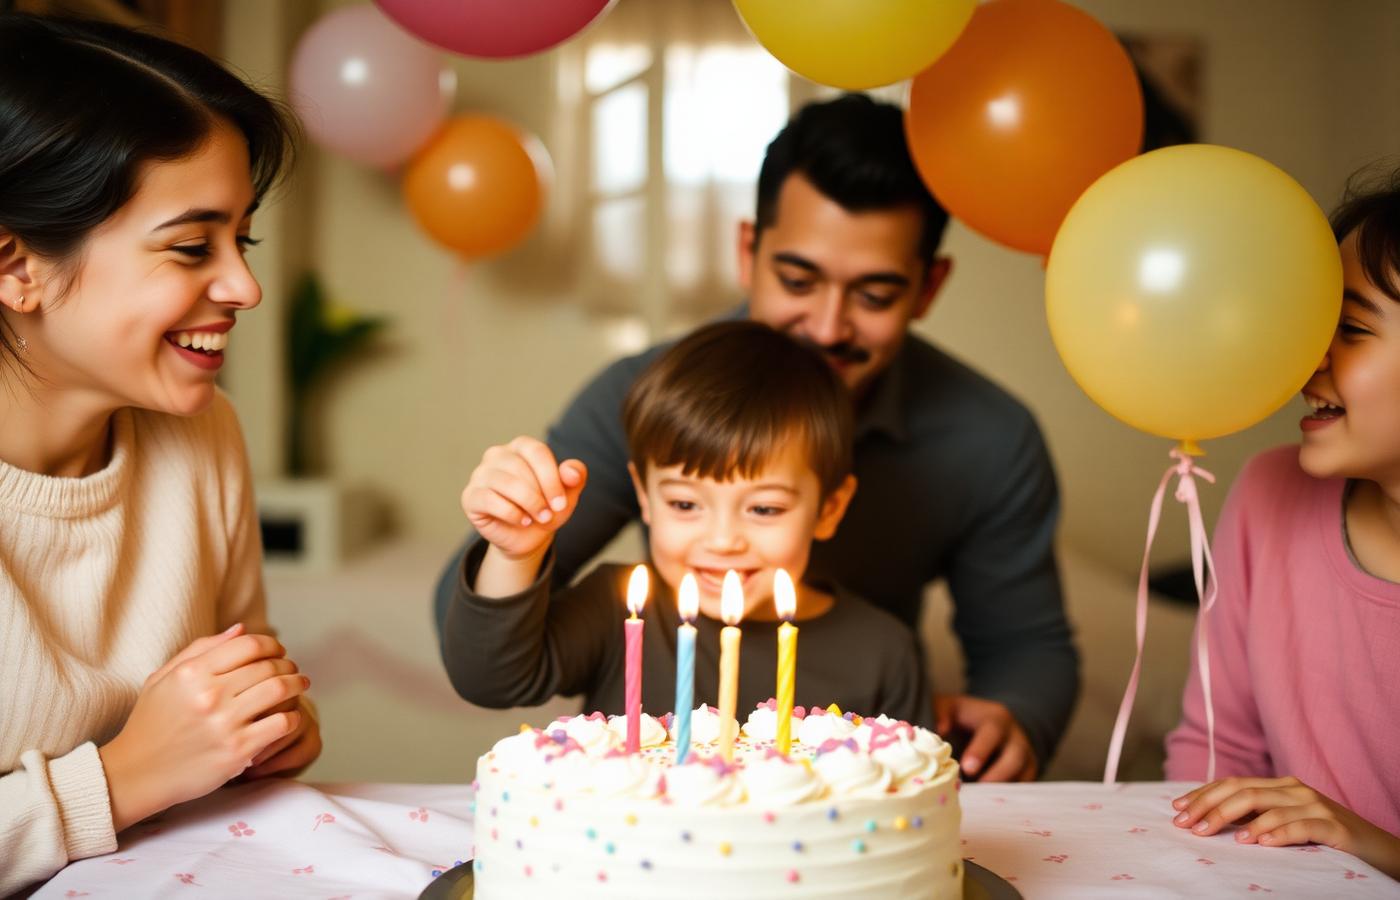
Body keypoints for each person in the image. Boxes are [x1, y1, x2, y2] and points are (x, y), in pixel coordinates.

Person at [435, 93, 1076, 780]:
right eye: (797, 279)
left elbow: (1028, 646)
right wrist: (516, 530)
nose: (828, 326)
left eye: (875, 295)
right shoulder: (643, 394)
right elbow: (488, 644)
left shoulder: (990, 438)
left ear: (928, 287)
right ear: (748, 251)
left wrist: (1013, 716)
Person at [0, 14, 319, 894]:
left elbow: (246, 693)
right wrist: (120, 779)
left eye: (241, 240)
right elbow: (145, 776)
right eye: (190, 247)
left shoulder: (203, 430)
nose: (244, 287)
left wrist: (261, 729)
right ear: (15, 264)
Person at [442, 321, 930, 727]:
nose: (721, 541)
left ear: (829, 508)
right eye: (684, 504)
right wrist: (515, 554)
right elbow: (488, 679)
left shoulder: (883, 652)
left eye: (764, 509)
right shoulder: (619, 611)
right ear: (644, 497)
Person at [1164, 169, 1400, 880]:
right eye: (1310, 322)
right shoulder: (1268, 493)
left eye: (1350, 329)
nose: (1305, 357)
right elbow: (1212, 752)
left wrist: (1373, 847)